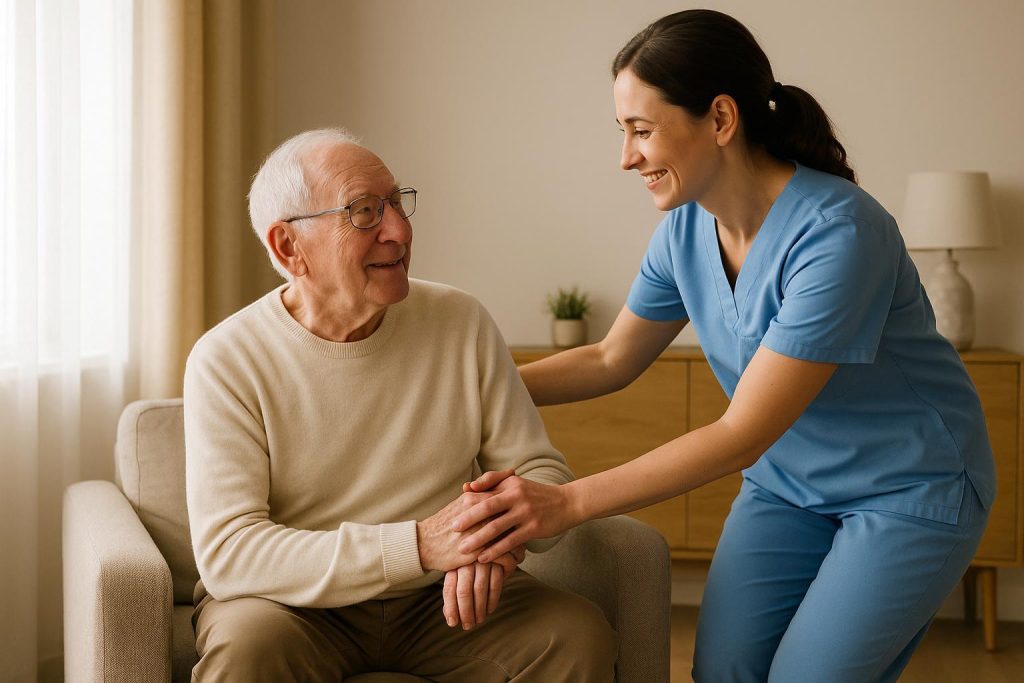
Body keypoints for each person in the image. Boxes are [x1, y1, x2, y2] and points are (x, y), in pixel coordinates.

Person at [453, 9, 994, 682]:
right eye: (623, 132)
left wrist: (565, 502)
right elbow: (610, 358)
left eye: (641, 131)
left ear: (720, 119)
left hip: (907, 486)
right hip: (787, 486)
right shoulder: (685, 232)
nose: (626, 157)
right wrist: (463, 381)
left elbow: (742, 433)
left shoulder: (837, 235)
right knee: (723, 671)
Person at [183, 128, 616, 682]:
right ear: (288, 246)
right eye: (364, 212)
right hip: (291, 607)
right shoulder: (226, 359)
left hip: (443, 602)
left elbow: (540, 471)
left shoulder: (461, 322)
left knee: (576, 635)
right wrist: (419, 545)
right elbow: (232, 554)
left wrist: (487, 543)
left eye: (396, 203)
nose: (398, 229)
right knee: (248, 653)